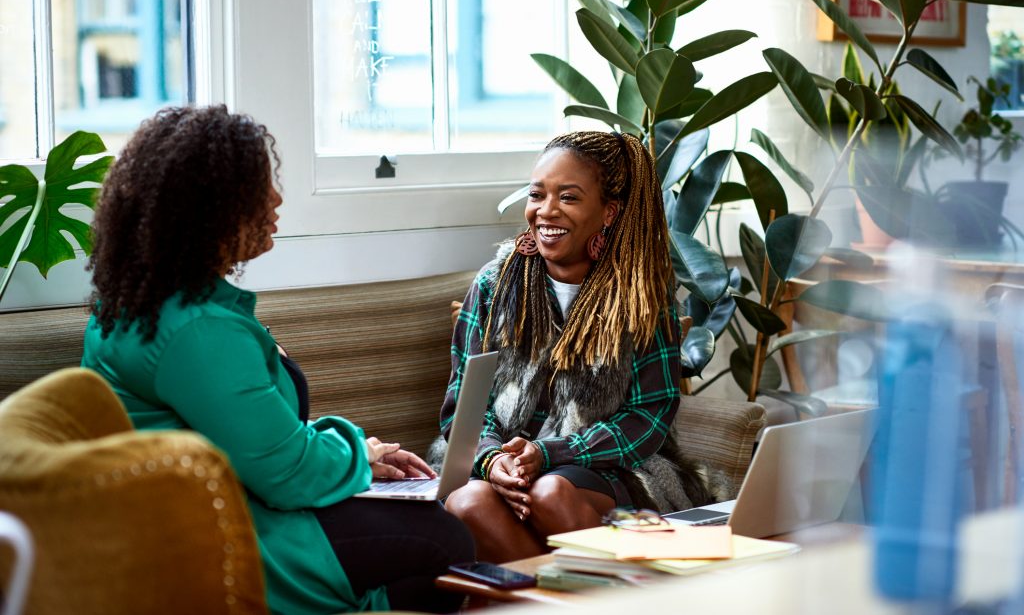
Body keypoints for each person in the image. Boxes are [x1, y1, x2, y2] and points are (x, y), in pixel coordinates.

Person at [80, 105, 474, 614]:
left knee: (436, 523)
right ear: (208, 209)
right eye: (257, 189)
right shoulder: (198, 329)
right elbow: (283, 474)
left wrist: (362, 451)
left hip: (219, 503)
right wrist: (360, 456)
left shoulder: (147, 300)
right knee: (445, 542)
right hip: (227, 530)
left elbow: (251, 436)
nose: (276, 199)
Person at [436, 131, 729, 563]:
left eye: (568, 198)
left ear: (609, 212)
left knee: (550, 491)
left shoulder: (640, 297)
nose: (545, 211)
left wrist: (549, 453)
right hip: (507, 465)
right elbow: (465, 401)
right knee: (467, 503)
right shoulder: (493, 286)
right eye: (538, 194)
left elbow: (649, 418)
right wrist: (493, 459)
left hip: (610, 468)